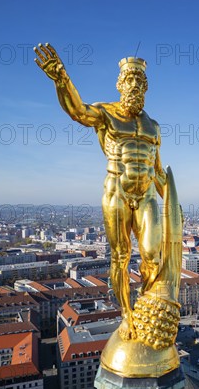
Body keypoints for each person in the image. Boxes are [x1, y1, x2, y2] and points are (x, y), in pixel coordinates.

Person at [34, 44, 167, 339]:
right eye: (129, 80)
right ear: (120, 85)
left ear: (145, 87)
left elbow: (157, 169)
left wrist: (170, 196)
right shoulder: (106, 113)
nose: (134, 85)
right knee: (120, 255)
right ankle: (127, 315)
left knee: (152, 255)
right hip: (117, 190)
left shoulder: (154, 126)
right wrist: (61, 79)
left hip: (146, 196)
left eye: (139, 81)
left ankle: (147, 305)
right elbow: (77, 112)